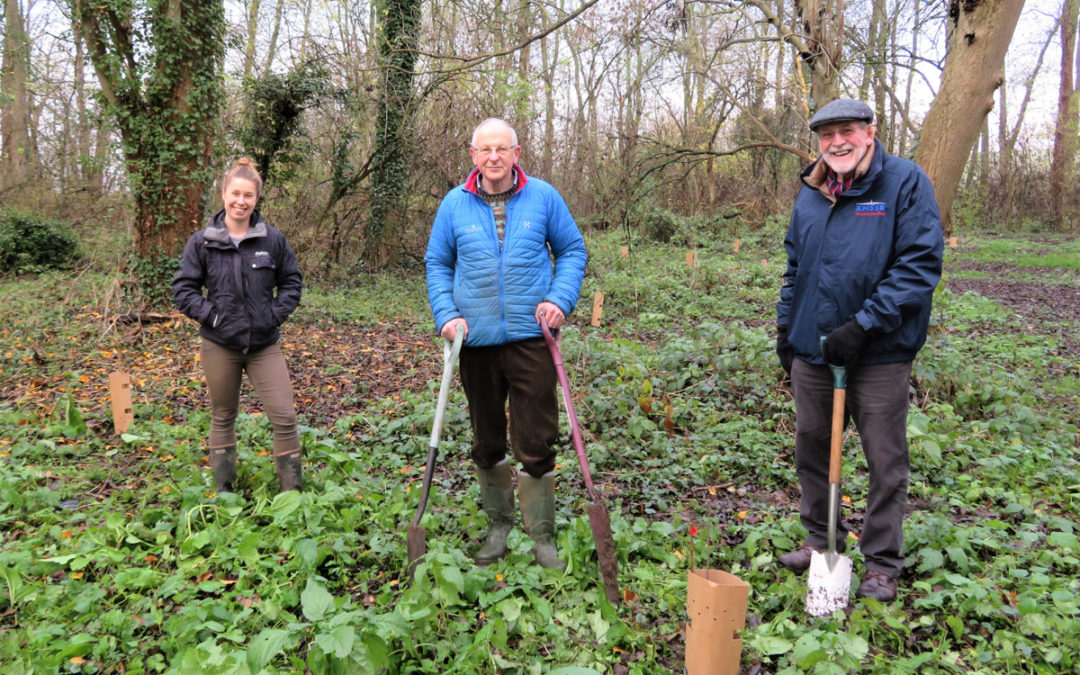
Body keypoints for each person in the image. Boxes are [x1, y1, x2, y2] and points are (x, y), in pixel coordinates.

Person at [775, 99, 943, 602]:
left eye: (847, 131)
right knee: (811, 447)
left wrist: (863, 325)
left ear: (869, 132)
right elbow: (794, 268)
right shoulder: (811, 192)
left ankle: (882, 563)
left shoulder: (905, 184)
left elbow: (918, 267)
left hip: (880, 353)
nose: (837, 143)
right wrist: (787, 330)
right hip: (813, 351)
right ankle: (821, 539)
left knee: (885, 460)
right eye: (827, 136)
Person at [425, 118, 587, 570]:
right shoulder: (454, 205)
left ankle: (542, 536)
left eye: (502, 148)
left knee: (536, 437)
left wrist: (559, 299)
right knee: (487, 437)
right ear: (473, 156)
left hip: (532, 338)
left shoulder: (544, 196)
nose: (493, 156)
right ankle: (498, 528)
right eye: (485, 149)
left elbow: (573, 250)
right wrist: (447, 315)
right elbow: (437, 262)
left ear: (517, 153)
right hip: (473, 340)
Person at [173, 158, 304, 494]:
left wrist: (273, 316)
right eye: (235, 194)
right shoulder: (202, 242)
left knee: (285, 416)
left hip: (264, 345)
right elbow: (184, 290)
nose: (241, 201)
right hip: (219, 345)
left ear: (257, 199)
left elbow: (291, 282)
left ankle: (292, 497)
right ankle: (225, 493)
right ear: (224, 194)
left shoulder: (272, 240)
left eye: (248, 195)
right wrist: (212, 316)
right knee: (223, 415)